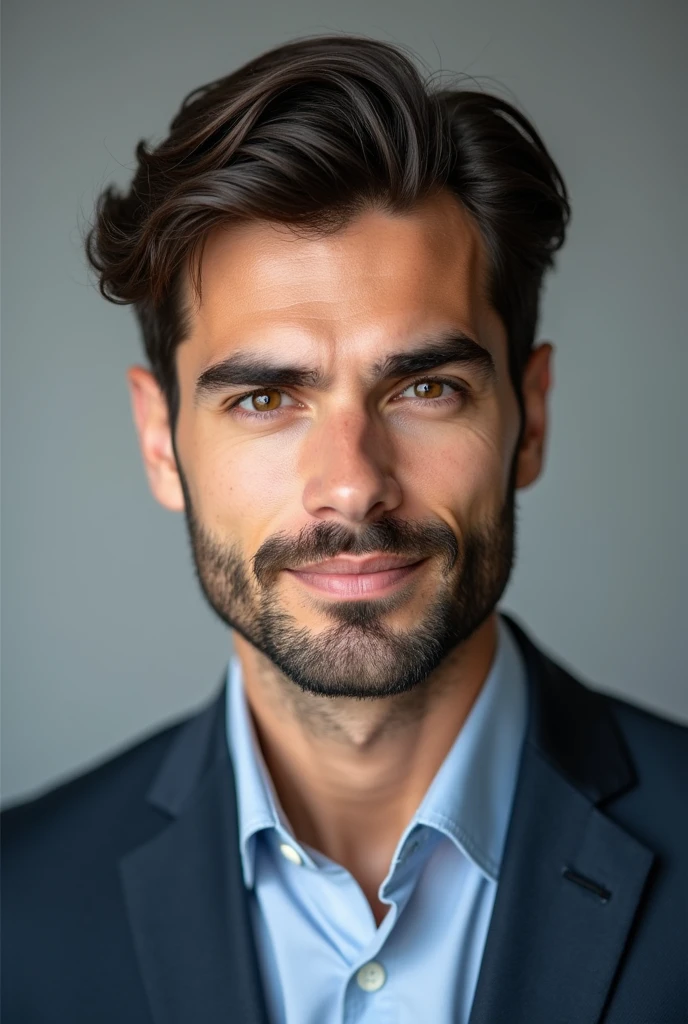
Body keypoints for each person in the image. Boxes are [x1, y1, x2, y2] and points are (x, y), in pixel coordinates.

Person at [2, 34, 686, 1024]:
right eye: (264, 399)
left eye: (424, 387)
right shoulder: (17, 915)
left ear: (528, 418)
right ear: (160, 440)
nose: (353, 486)